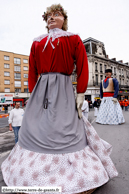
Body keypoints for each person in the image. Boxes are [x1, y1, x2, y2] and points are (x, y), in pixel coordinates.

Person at [1, 4, 118, 194]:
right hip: (42, 89)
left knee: (66, 125)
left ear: (64, 19)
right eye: (48, 16)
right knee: (37, 127)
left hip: (63, 88)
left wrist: (81, 93)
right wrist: (33, 94)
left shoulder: (73, 39)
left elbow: (81, 66)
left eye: (56, 14)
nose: (51, 18)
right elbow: (32, 70)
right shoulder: (37, 43)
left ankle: (72, 172)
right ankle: (31, 170)